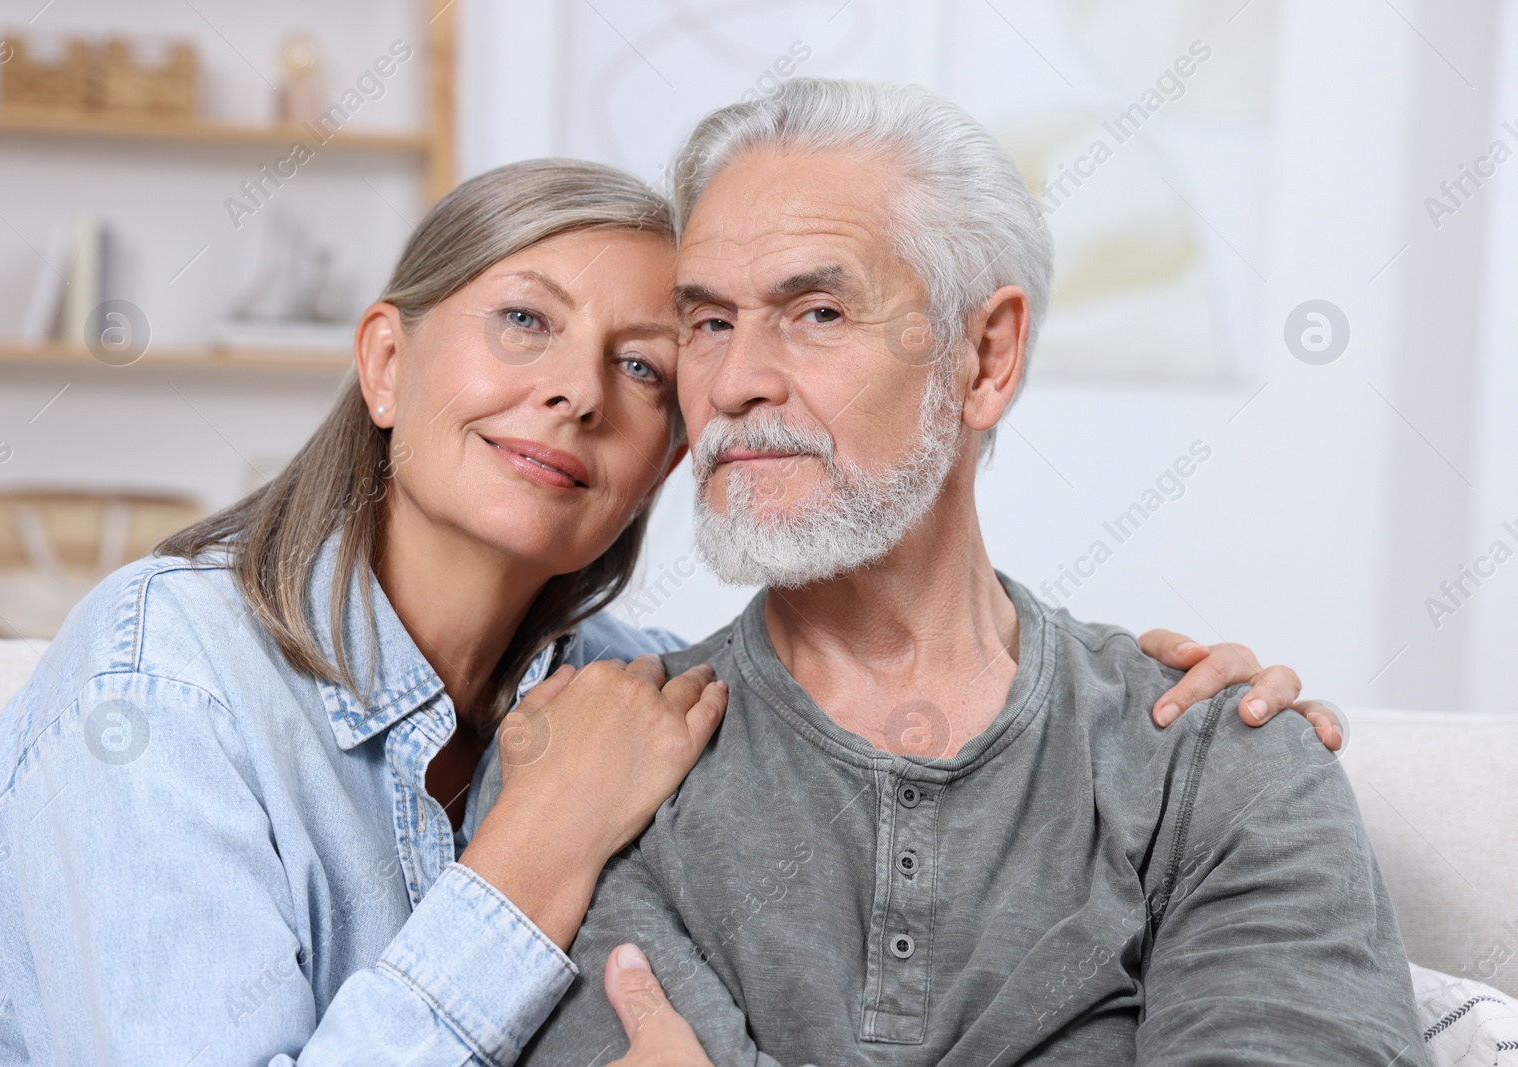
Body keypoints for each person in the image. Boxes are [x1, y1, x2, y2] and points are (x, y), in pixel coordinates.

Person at [0, 158, 1314, 1065]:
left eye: (647, 368)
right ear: (387, 361)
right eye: (523, 320)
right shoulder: (163, 676)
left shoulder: (638, 699)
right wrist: (532, 840)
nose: (577, 391)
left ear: (674, 448)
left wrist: (1165, 713)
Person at [516, 81, 1424, 1066]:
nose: (734, 384)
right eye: (707, 324)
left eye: (816, 311)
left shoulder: (1220, 762)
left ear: (984, 357)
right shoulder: (595, 770)